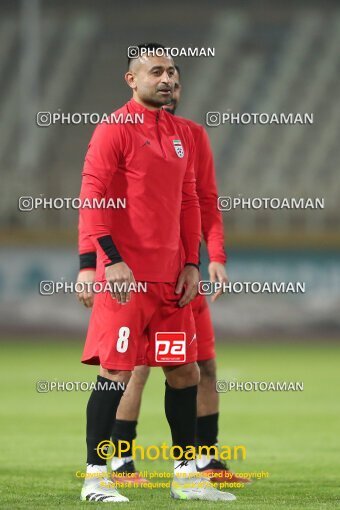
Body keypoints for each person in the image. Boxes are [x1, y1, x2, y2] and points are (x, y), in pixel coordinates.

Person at [77, 43, 236, 502]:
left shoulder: (180, 133)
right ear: (132, 79)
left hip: (171, 282)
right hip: (126, 281)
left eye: (171, 72)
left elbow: (191, 201)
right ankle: (96, 475)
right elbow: (92, 198)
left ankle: (187, 477)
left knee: (184, 372)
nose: (165, 79)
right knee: (117, 373)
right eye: (155, 72)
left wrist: (191, 263)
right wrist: (105, 261)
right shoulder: (113, 129)